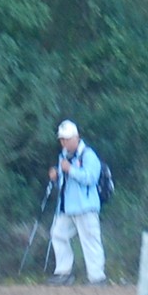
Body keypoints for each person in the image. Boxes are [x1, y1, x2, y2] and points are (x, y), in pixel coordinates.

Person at [45, 120, 107, 286]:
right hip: (66, 207)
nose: (64, 143)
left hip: (86, 207)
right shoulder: (63, 156)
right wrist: (56, 175)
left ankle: (97, 277)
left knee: (90, 241)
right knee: (57, 234)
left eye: (67, 139)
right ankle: (63, 272)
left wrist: (70, 170)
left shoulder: (88, 155)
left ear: (76, 137)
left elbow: (91, 178)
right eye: (62, 139)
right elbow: (64, 182)